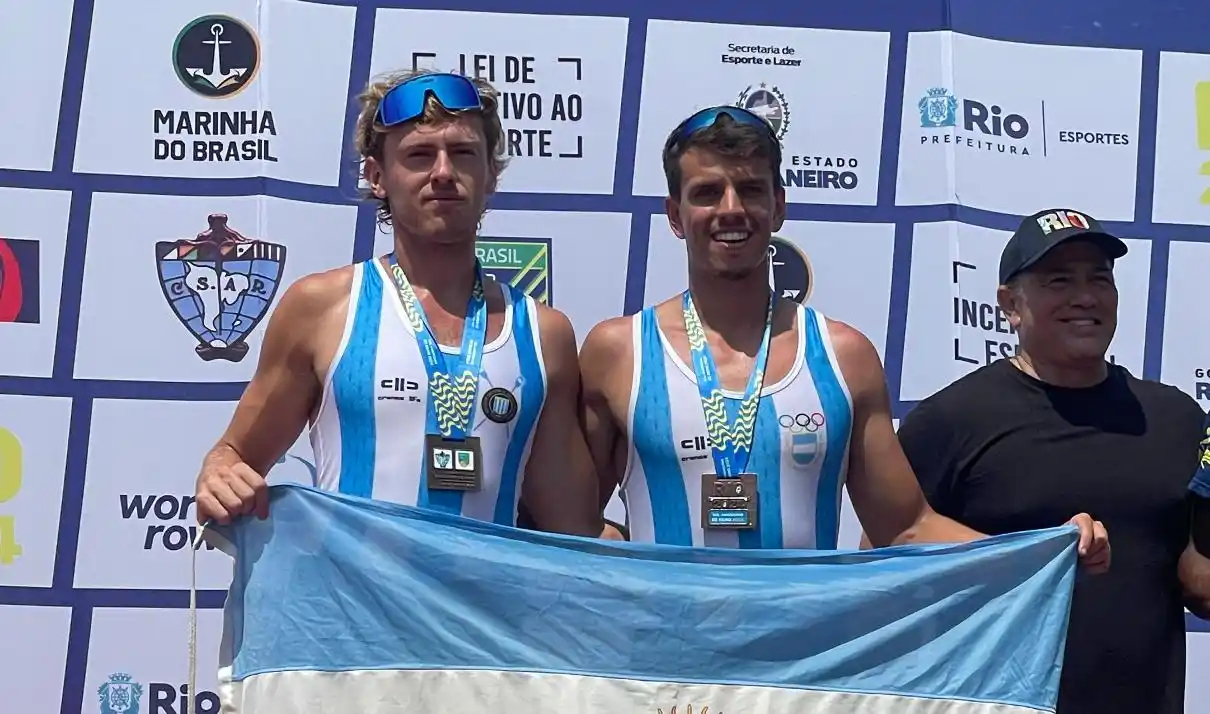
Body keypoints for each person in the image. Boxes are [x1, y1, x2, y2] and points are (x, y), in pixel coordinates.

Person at [577, 106, 1109, 557]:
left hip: (800, 671)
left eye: (750, 189)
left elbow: (904, 527)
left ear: (778, 206)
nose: (731, 209)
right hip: (664, 671)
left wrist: (1042, 554)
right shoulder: (619, 352)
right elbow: (563, 526)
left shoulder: (843, 356)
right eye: (707, 192)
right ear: (674, 214)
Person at [191, 69, 600, 537]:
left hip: (477, 611)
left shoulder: (543, 333)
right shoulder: (323, 309)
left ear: (491, 175)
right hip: (350, 607)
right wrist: (219, 471)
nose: (443, 172)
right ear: (377, 176)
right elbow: (236, 455)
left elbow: (572, 529)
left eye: (464, 154)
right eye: (420, 155)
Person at [885, 208, 1201, 713]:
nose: (1085, 297)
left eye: (1100, 279)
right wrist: (1024, 560)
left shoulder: (1176, 419)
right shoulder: (952, 420)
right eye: (1059, 281)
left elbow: (1197, 576)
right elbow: (885, 556)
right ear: (1010, 304)